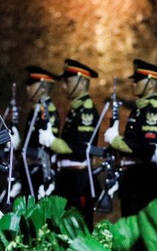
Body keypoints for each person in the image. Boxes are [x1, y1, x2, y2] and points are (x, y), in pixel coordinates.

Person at [38, 59, 100, 230]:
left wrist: (53, 142)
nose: (64, 87)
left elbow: (81, 149)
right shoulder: (75, 110)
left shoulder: (86, 111)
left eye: (68, 81)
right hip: (67, 180)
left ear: (81, 83)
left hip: (78, 181)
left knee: (79, 230)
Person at [103, 59, 157, 217]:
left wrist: (117, 141)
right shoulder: (138, 110)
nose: (134, 84)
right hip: (132, 181)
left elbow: (145, 149)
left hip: (144, 182)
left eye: (139, 80)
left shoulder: (151, 111)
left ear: (151, 83)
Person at [21, 66, 61, 198]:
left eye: (31, 84)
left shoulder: (48, 111)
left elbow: (48, 147)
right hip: (29, 172)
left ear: (43, 88)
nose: (27, 88)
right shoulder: (36, 110)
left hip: (41, 172)